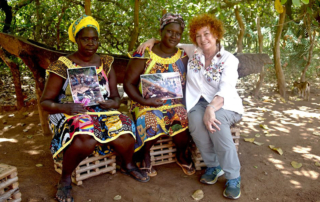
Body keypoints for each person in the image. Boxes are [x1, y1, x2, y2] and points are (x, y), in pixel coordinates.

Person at [40, 15, 149, 202]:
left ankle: (128, 164)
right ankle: (65, 179)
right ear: (76, 39)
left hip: (102, 111)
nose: (91, 43)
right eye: (85, 39)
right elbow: (45, 103)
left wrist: (113, 103)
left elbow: (116, 96)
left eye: (94, 39)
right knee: (86, 137)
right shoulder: (62, 65)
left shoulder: (106, 62)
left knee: (125, 128)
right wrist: (65, 107)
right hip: (71, 111)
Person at [137, 13, 244, 200]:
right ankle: (213, 165)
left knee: (216, 123)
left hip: (224, 104)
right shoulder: (193, 51)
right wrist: (151, 40)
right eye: (198, 35)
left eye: (207, 34)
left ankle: (233, 176)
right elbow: (170, 41)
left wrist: (211, 110)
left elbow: (226, 90)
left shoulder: (229, 60)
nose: (202, 39)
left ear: (216, 34)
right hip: (197, 103)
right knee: (194, 122)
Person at [124, 13, 195, 177]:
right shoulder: (144, 54)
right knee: (150, 119)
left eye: (178, 34)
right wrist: (144, 101)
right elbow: (128, 83)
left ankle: (181, 154)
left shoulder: (183, 56)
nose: (174, 36)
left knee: (183, 117)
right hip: (144, 102)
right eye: (170, 31)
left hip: (175, 103)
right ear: (161, 31)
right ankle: (145, 156)